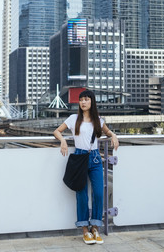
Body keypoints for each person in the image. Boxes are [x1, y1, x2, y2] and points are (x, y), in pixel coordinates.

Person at [53, 89, 119, 245]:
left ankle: (95, 226)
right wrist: (62, 140)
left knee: (98, 193)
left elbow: (108, 132)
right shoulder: (73, 118)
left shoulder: (98, 120)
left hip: (95, 158)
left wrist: (114, 136)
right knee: (82, 195)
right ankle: (84, 230)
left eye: (86, 99)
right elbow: (57, 131)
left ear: (92, 102)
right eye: (81, 100)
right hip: (80, 158)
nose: (83, 102)